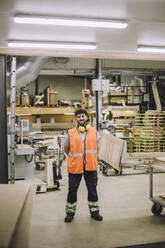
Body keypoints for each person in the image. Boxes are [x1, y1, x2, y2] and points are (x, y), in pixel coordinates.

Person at [64, 109, 103, 223]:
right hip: (75, 166)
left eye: (83, 116)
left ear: (87, 117)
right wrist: (75, 158)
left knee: (92, 190)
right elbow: (66, 148)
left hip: (90, 166)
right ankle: (70, 213)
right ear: (76, 119)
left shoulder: (95, 132)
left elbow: (98, 147)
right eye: (78, 117)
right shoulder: (70, 133)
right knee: (72, 190)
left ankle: (95, 212)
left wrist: (91, 158)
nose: (81, 118)